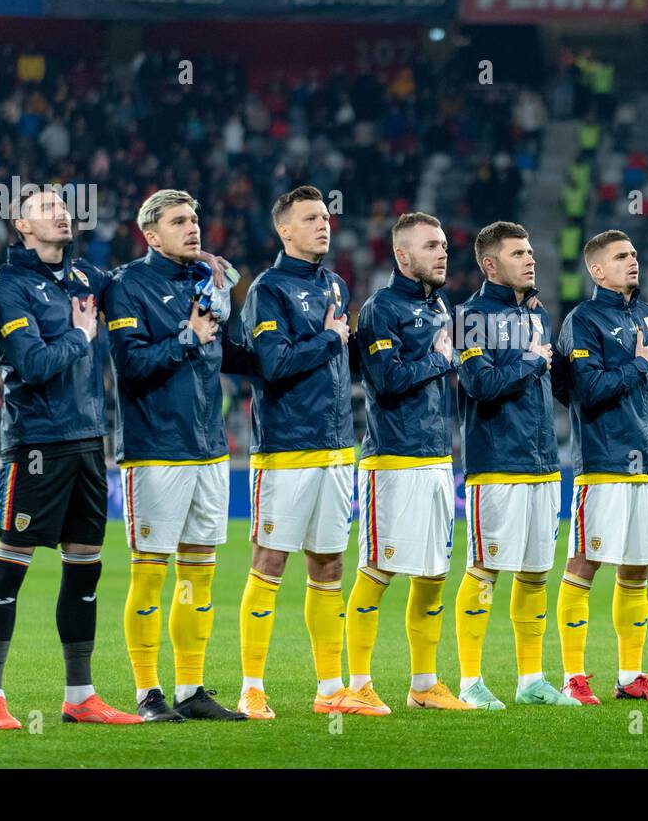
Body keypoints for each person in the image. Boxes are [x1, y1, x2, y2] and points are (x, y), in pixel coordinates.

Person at [0, 188, 140, 728]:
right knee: (10, 568)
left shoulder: (88, 278)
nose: (62, 212)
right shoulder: (9, 287)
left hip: (90, 442)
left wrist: (194, 264)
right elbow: (33, 361)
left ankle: (80, 695)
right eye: (46, 209)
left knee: (85, 571)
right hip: (38, 444)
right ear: (22, 227)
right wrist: (79, 333)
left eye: (63, 206)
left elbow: (140, 283)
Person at [237, 186, 384, 717]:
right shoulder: (267, 289)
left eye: (325, 216)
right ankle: (251, 687)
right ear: (284, 230)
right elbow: (271, 364)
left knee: (328, 565)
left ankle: (330, 690)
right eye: (310, 218)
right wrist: (329, 338)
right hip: (285, 447)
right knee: (270, 560)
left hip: (334, 448)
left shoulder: (337, 286)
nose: (324, 225)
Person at [107, 189, 248, 722]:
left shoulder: (207, 283)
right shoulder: (127, 286)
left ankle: (191, 689)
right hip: (155, 448)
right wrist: (188, 337)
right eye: (179, 221)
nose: (193, 228)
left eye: (195, 218)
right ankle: (148, 693)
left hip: (209, 447)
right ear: (150, 234)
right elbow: (132, 365)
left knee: (199, 574)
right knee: (149, 573)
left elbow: (224, 351)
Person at [348, 212, 472, 712]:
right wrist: (446, 359)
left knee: (433, 572)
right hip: (392, 460)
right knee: (378, 570)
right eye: (431, 246)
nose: (443, 252)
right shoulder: (381, 309)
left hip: (436, 458)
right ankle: (356, 683)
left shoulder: (439, 306)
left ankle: (424, 686)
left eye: (444, 244)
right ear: (403, 256)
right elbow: (387, 379)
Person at [452, 221, 579, 709]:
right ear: (490, 264)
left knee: (534, 572)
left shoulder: (536, 314)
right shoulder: (467, 317)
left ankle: (531, 681)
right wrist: (531, 360)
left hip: (544, 462)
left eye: (530, 251)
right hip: (497, 461)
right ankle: (470, 681)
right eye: (518, 253)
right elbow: (479, 384)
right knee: (485, 570)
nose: (530, 259)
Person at [554, 230, 648, 704]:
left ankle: (631, 677)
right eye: (621, 256)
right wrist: (641, 365)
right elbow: (583, 391)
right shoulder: (582, 320)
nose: (633, 262)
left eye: (635, 254)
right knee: (585, 564)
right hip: (603, 463)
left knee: (637, 570)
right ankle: (574, 676)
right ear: (597, 270)